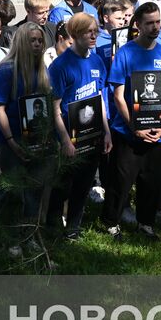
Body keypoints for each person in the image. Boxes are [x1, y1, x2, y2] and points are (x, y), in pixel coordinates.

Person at [107, 2, 161, 240]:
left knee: (152, 181)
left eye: (158, 22)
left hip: (159, 132)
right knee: (121, 181)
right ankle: (111, 222)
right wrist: (135, 127)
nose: (155, 27)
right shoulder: (125, 53)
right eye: (149, 23)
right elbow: (118, 96)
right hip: (128, 132)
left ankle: (146, 223)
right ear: (137, 25)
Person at [47, 13, 112, 239]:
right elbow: (54, 108)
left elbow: (100, 98)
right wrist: (64, 140)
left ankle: (73, 228)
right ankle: (53, 227)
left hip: (92, 134)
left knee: (83, 184)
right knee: (62, 185)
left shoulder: (96, 61)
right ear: (74, 35)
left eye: (96, 31)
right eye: (88, 32)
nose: (94, 36)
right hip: (68, 137)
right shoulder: (60, 66)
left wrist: (107, 132)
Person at [0, 22, 52, 254]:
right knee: (11, 190)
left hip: (36, 139)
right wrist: (11, 143)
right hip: (11, 139)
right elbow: (0, 109)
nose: (37, 44)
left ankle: (29, 235)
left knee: (35, 189)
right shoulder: (6, 70)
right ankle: (9, 238)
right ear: (21, 43)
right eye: (32, 40)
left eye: (39, 41)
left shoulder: (41, 68)